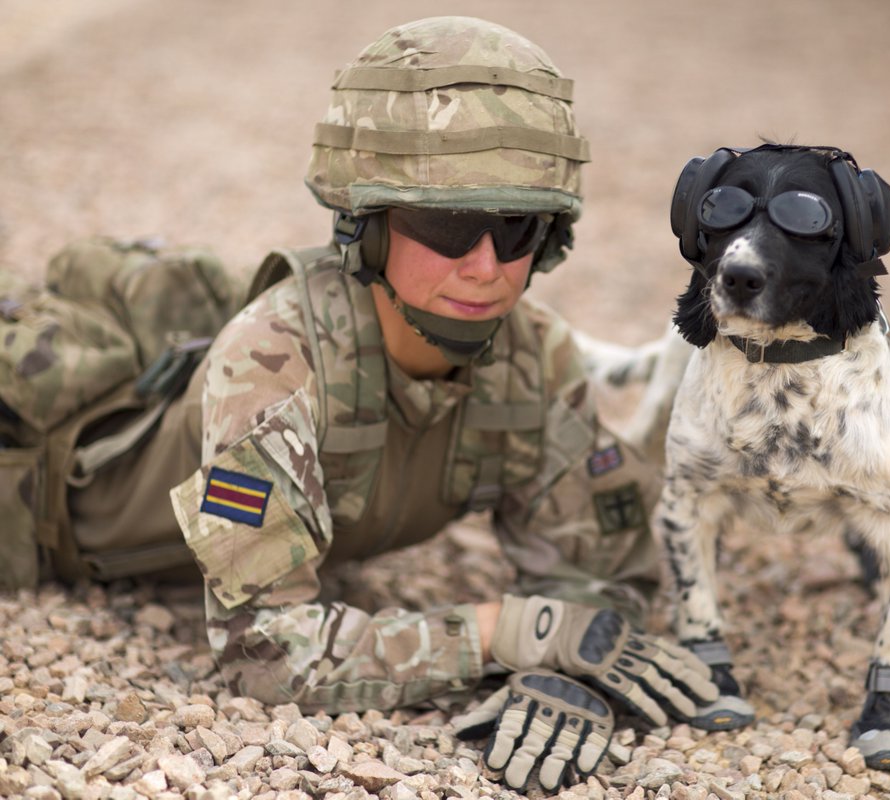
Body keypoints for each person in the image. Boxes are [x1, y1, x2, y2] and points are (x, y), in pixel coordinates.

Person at [48, 16, 723, 792]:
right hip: (42, 515)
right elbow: (267, 654)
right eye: (446, 225)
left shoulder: (535, 358)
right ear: (366, 228)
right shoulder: (275, 357)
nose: (484, 267)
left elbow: (602, 577)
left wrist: (566, 674)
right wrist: (503, 632)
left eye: (517, 230)